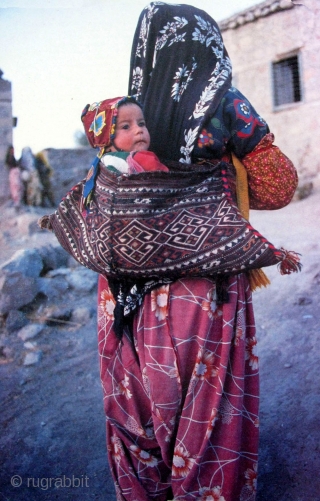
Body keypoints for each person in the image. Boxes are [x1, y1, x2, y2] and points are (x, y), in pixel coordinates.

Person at [95, 4, 298, 501]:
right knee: (209, 422)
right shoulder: (223, 102)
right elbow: (279, 186)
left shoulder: (122, 116)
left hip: (124, 292)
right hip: (206, 285)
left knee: (137, 419)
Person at [5, 145, 23, 211]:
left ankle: (17, 202)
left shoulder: (12, 157)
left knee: (18, 187)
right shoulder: (10, 158)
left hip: (15, 173)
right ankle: (16, 202)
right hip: (14, 173)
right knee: (15, 187)